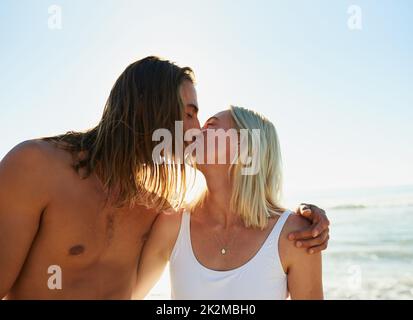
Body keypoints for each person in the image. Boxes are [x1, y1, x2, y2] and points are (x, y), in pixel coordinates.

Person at [0, 56, 329, 299]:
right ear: (150, 109)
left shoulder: (155, 210)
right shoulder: (36, 166)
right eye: (189, 114)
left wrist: (307, 216)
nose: (195, 130)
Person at [135, 107, 323, 299]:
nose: (195, 132)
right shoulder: (172, 225)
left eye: (211, 126)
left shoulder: (296, 235)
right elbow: (126, 294)